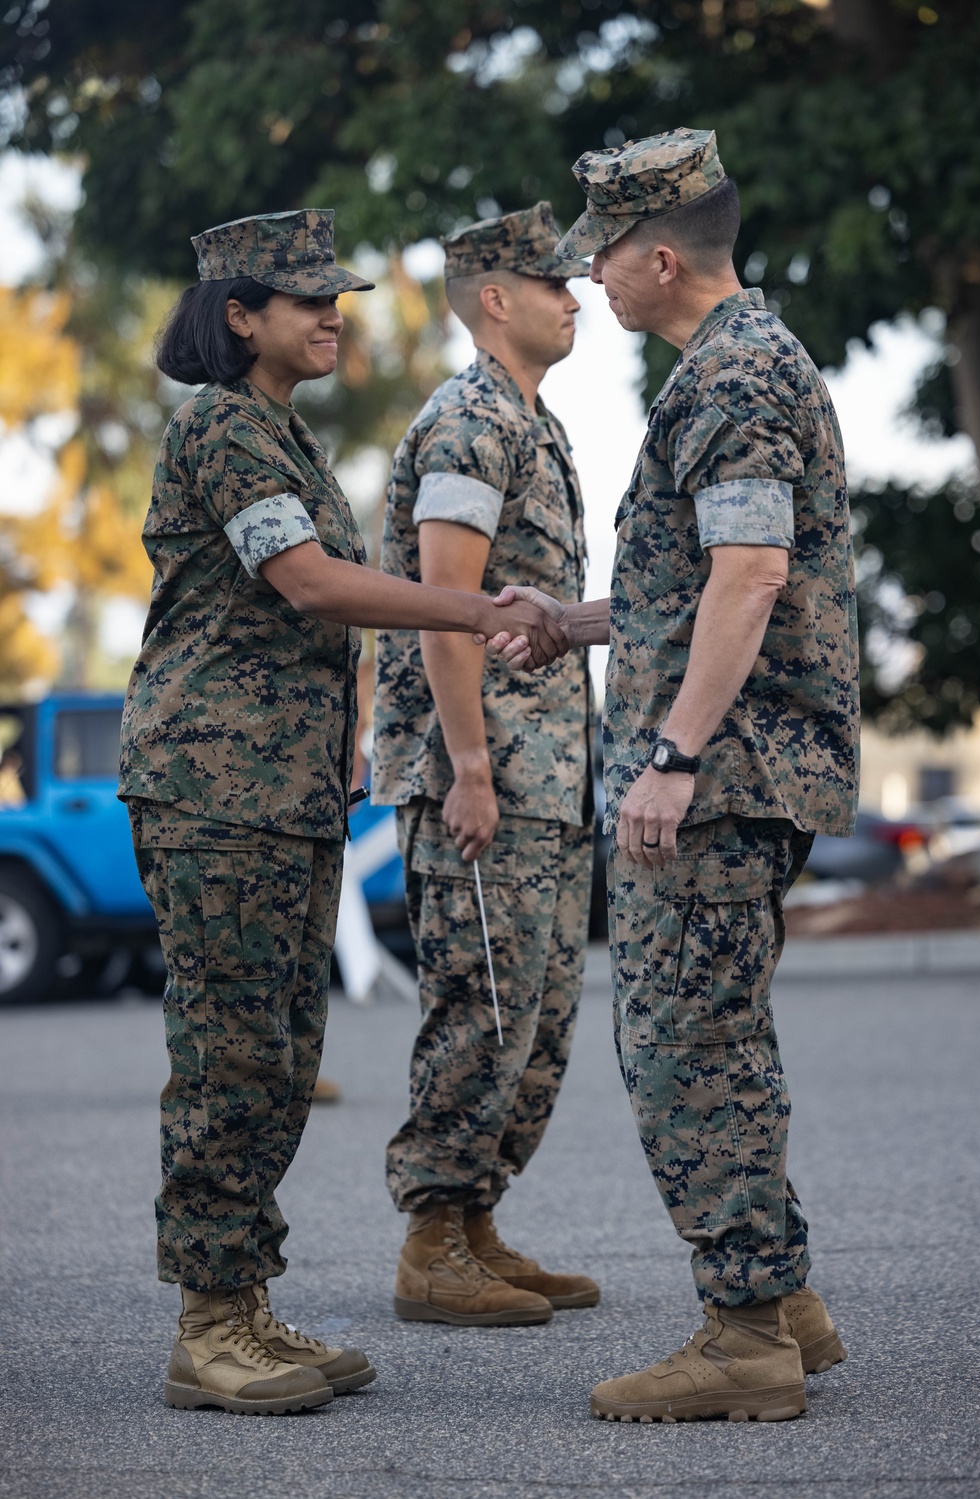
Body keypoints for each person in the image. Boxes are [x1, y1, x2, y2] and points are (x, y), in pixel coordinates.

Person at [119, 209, 566, 1416]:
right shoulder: (221, 424)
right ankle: (208, 1324)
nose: (332, 316)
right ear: (237, 316)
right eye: (305, 299)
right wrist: (474, 611)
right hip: (213, 786)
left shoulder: (280, 432)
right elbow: (308, 584)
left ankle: (245, 1304)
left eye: (338, 297)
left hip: (280, 787)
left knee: (277, 1057)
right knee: (230, 1057)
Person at [486, 130, 860, 1422]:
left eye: (599, 252)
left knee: (682, 1046)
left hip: (721, 776)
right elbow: (703, 578)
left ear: (660, 255)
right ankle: (785, 1299)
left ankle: (746, 1330)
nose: (588, 276)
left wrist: (673, 755)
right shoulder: (738, 361)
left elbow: (754, 576)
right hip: (737, 765)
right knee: (721, 1036)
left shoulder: (736, 376)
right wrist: (575, 619)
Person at [371, 203, 600, 1326]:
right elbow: (443, 609)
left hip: (545, 777)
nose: (577, 297)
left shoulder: (531, 421)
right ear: (494, 299)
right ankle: (430, 1240)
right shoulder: (468, 421)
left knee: (538, 1018)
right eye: (555, 282)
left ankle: (474, 1221)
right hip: (487, 777)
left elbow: (529, 614)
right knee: (483, 1007)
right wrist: (467, 765)